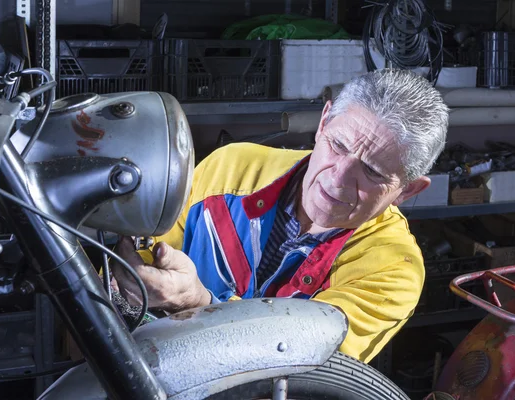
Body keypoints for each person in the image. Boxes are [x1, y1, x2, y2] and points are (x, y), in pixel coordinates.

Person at [111, 69, 450, 363]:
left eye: (373, 172)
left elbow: (296, 360)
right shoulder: (230, 168)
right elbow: (140, 264)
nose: (338, 178)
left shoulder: (392, 270)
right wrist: (130, 281)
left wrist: (199, 303)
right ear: (323, 122)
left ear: (407, 190)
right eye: (338, 146)